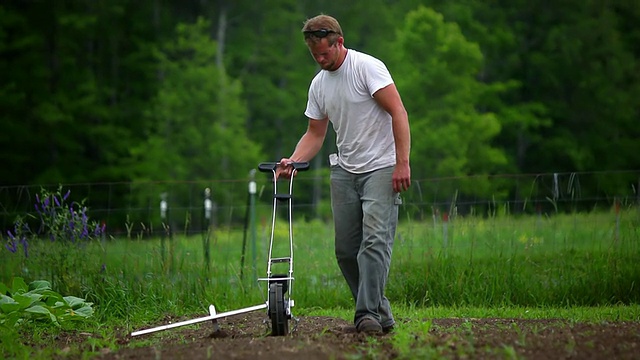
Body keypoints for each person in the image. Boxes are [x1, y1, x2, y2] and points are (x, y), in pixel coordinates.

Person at [278, 14, 411, 334]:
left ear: (339, 42)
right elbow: (314, 133)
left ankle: (365, 315)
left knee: (375, 241)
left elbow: (398, 111)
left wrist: (402, 162)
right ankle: (381, 314)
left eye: (325, 53)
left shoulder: (367, 68)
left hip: (381, 165)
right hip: (344, 170)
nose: (321, 60)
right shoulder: (319, 85)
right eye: (315, 56)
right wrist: (293, 161)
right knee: (345, 250)